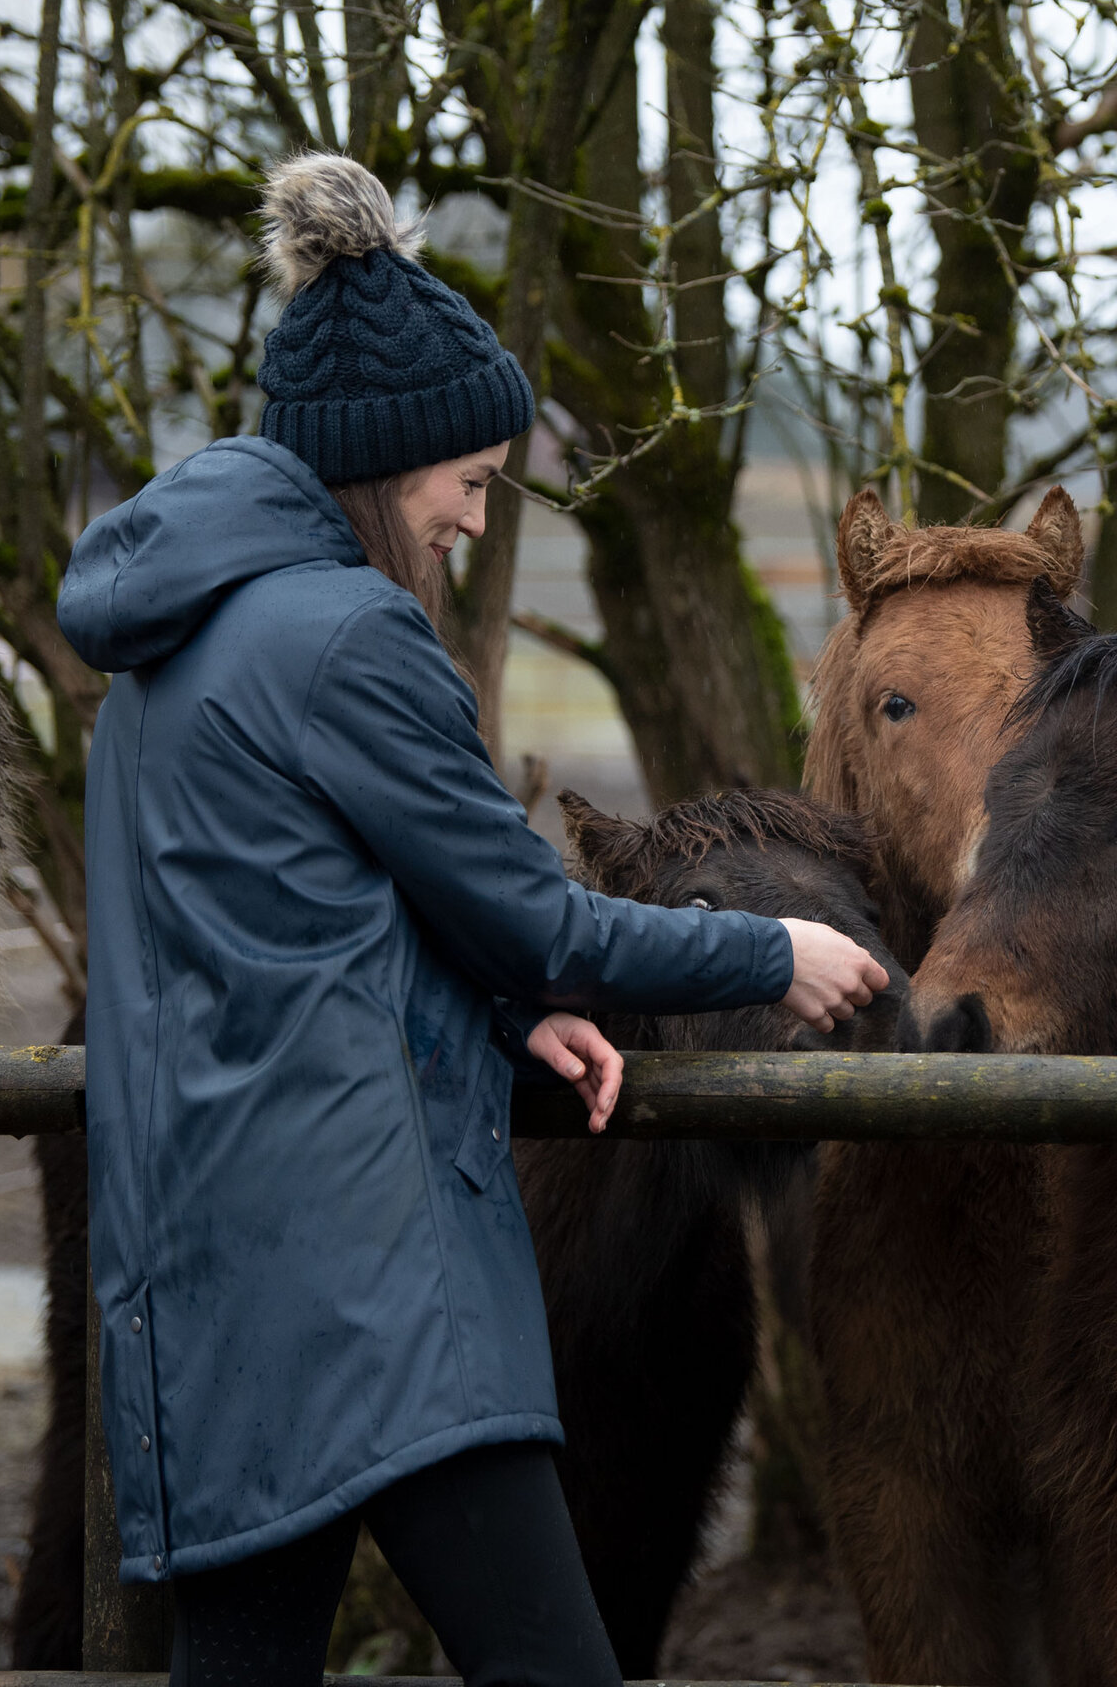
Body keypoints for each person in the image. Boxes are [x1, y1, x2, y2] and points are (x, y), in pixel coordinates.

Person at [57, 152, 889, 1687]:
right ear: (394, 461)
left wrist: (505, 1015)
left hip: (215, 1271)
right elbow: (539, 919)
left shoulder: (164, 658)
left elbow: (302, 920)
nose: (471, 524)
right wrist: (776, 950)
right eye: (469, 485)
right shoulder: (348, 637)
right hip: (371, 1274)